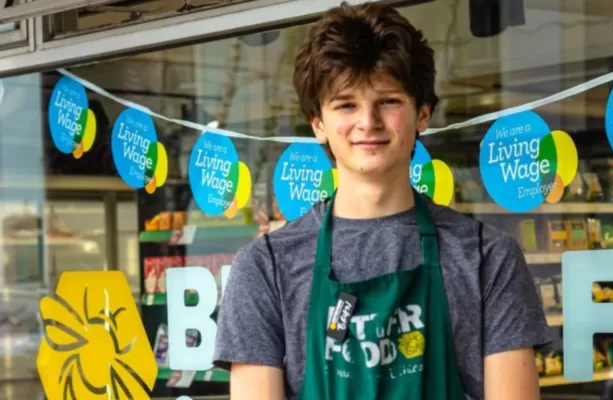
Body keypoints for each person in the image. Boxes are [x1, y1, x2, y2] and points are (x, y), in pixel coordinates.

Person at [212, 2, 552, 399]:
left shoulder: (487, 259)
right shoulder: (266, 269)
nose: (367, 122)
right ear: (318, 123)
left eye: (388, 101)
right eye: (346, 104)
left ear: (422, 113)